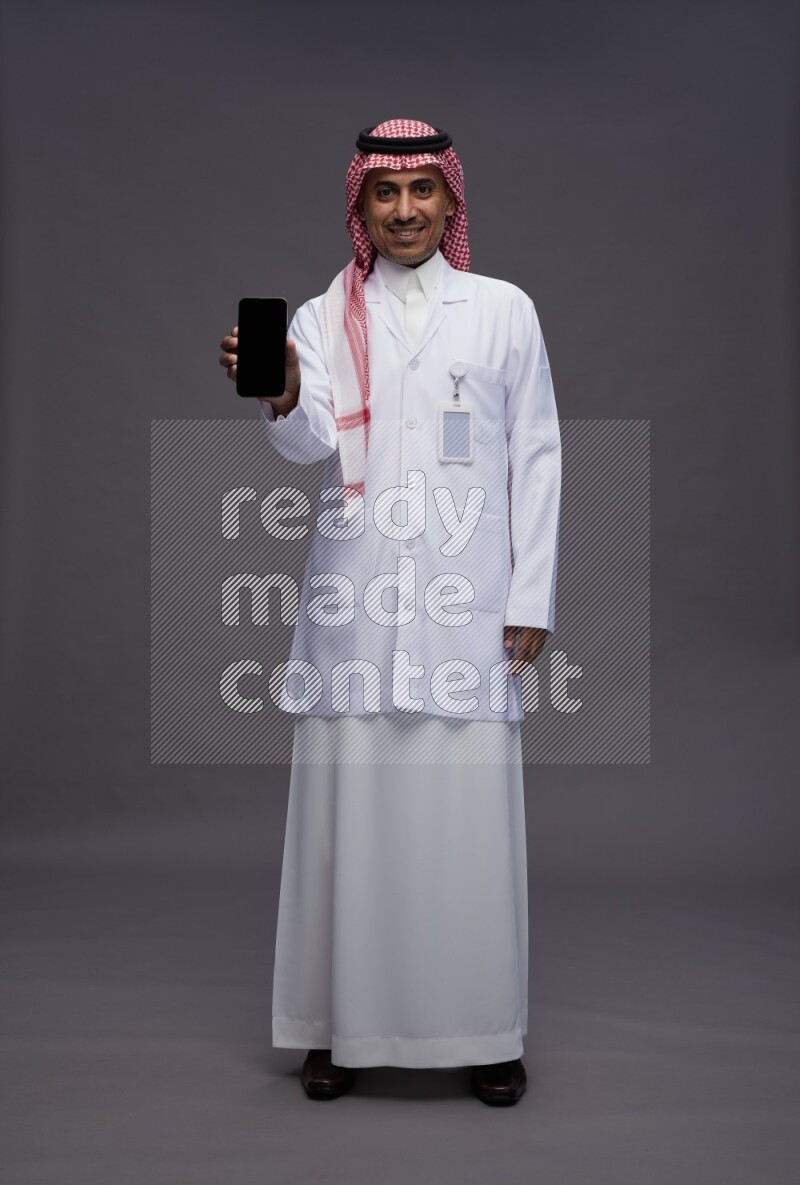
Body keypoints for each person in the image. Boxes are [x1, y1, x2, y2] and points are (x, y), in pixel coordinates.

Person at [218, 118, 561, 1106]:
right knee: (349, 823)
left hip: (466, 604)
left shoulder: (501, 311)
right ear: (360, 205)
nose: (404, 210)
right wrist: (282, 391)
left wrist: (530, 593)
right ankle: (337, 1028)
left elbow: (536, 454)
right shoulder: (325, 317)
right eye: (385, 192)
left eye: (422, 190)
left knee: (467, 829)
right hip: (358, 599)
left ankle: (484, 1031)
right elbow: (309, 444)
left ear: (450, 200)